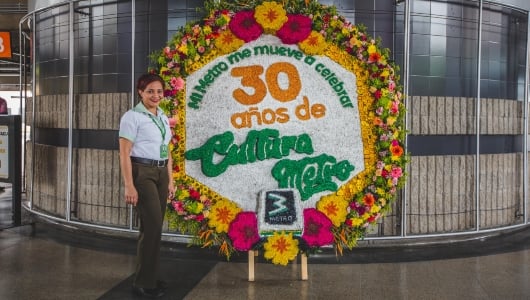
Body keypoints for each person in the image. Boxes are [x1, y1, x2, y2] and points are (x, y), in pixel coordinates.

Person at [119, 73, 175, 298]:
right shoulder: (132, 117)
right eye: (150, 91)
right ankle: (143, 283)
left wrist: (170, 180)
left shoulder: (161, 115)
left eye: (159, 91)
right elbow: (124, 153)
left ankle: (149, 276)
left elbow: (167, 149)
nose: (155, 95)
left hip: (161, 171)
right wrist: (129, 185)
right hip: (142, 172)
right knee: (151, 227)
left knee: (154, 228)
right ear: (140, 92)